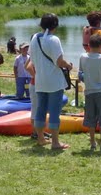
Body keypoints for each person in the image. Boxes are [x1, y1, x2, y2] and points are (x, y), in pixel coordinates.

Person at [29, 13, 74, 151]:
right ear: (55, 25)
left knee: (40, 109)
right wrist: (69, 65)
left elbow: (32, 59)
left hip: (40, 80)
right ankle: (55, 142)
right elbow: (59, 62)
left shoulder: (35, 38)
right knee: (54, 111)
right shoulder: (54, 39)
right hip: (54, 81)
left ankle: (41, 138)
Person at [79, 33, 101, 152]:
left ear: (88, 45)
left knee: (90, 118)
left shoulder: (83, 57)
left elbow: (81, 72)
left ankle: (93, 143)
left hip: (89, 91)